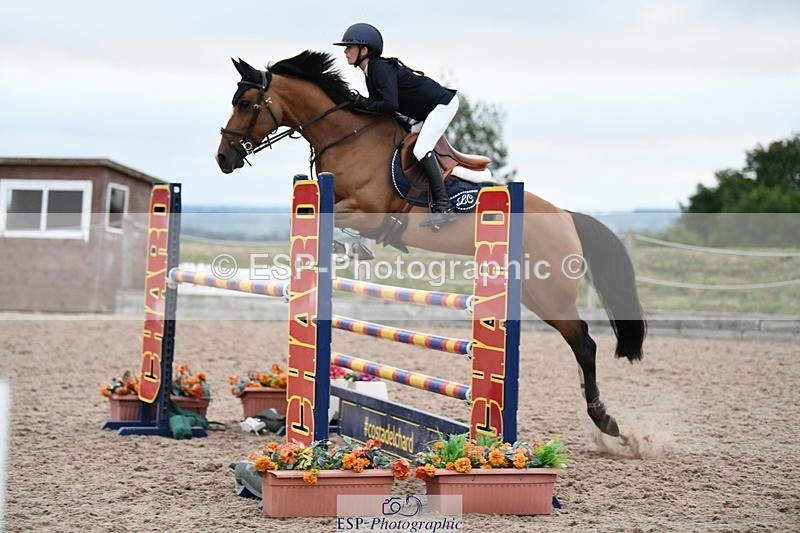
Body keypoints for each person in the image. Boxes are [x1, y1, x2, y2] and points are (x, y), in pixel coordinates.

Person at [334, 23, 459, 227]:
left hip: (442, 105)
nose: (345, 52)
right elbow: (379, 106)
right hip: (423, 112)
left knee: (421, 149)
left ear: (364, 50)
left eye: (349, 47)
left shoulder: (380, 69)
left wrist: (362, 102)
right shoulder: (371, 72)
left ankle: (444, 207)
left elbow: (390, 105)